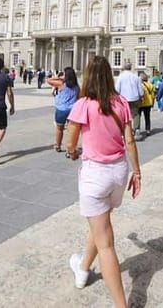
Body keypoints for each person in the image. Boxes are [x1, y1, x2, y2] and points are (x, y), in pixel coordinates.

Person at [64, 56, 142, 308]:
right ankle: (83, 268)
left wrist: (73, 152)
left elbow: (70, 144)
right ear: (110, 76)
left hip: (96, 175)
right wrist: (137, 173)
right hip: (119, 173)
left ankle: (121, 305)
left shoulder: (83, 105)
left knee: (106, 244)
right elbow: (130, 141)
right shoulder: (121, 103)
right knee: (101, 224)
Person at [48, 67, 79, 152]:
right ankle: (70, 149)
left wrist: (58, 77)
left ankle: (58, 146)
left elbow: (49, 80)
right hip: (72, 110)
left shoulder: (61, 84)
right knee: (70, 130)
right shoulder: (76, 86)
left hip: (61, 109)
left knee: (59, 128)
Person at [115, 63, 144, 140]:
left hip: (123, 99)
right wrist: (141, 96)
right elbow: (140, 89)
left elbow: (117, 89)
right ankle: (136, 130)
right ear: (130, 68)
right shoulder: (136, 77)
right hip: (134, 97)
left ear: (124, 68)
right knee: (136, 114)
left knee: (123, 115)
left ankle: (124, 131)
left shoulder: (120, 77)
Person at [138, 73, 155, 137]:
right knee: (147, 117)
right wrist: (153, 103)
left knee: (138, 117)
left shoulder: (140, 85)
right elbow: (153, 96)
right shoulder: (150, 85)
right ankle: (148, 130)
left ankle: (137, 129)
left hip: (140, 103)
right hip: (148, 103)